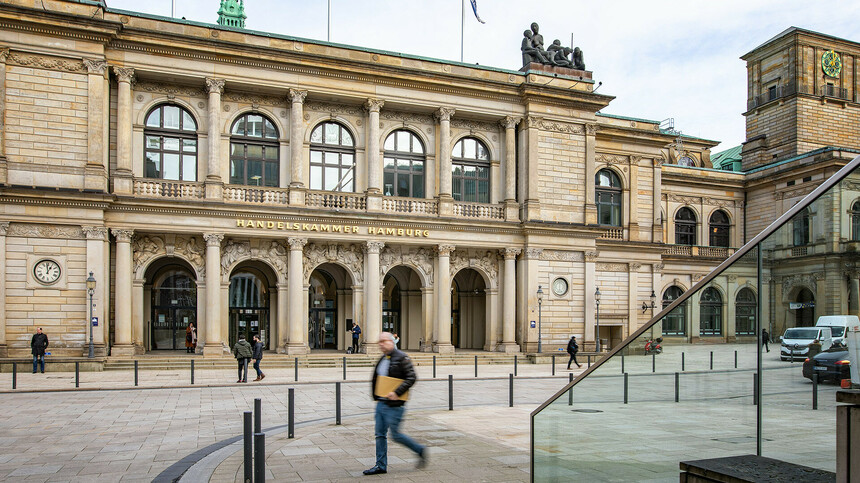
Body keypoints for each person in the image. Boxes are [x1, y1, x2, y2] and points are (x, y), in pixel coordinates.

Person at [364, 332, 426, 475]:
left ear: (392, 342)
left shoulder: (402, 357)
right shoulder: (383, 358)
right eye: (379, 341)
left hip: (395, 404)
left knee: (396, 435)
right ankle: (380, 465)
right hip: (381, 402)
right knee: (379, 434)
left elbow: (412, 377)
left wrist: (397, 392)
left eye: (384, 341)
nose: (381, 344)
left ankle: (420, 449)